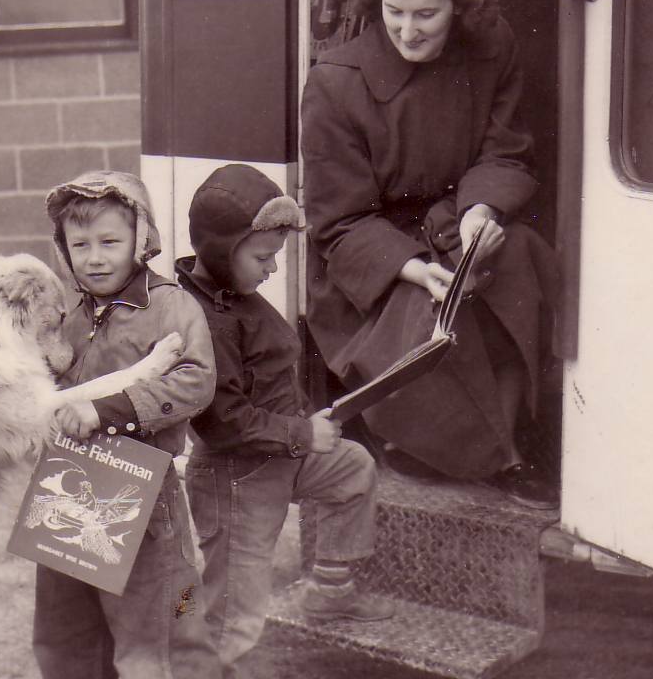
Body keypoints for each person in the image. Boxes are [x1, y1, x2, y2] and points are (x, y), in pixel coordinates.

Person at [300, 0, 559, 509]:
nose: (407, 29)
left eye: (426, 15)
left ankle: (512, 443)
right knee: (431, 310)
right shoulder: (336, 82)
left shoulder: (494, 48)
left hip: (454, 220)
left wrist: (481, 211)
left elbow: (507, 150)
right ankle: (439, 445)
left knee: (519, 259)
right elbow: (337, 223)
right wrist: (415, 268)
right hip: (372, 258)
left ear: (458, 8)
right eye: (395, 11)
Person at [176, 164, 394, 678]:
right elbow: (221, 420)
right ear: (221, 250)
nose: (272, 269)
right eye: (263, 257)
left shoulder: (238, 299)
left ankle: (329, 589)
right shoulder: (204, 319)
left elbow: (268, 377)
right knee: (235, 610)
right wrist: (299, 433)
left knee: (351, 468)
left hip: (278, 454)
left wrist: (305, 421)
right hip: (238, 478)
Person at [36, 170, 222, 679]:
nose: (94, 257)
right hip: (70, 486)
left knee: (162, 625)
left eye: (110, 242)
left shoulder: (168, 305)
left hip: (141, 490)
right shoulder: (70, 316)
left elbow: (196, 380)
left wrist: (108, 409)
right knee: (66, 634)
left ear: (140, 241)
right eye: (80, 245)